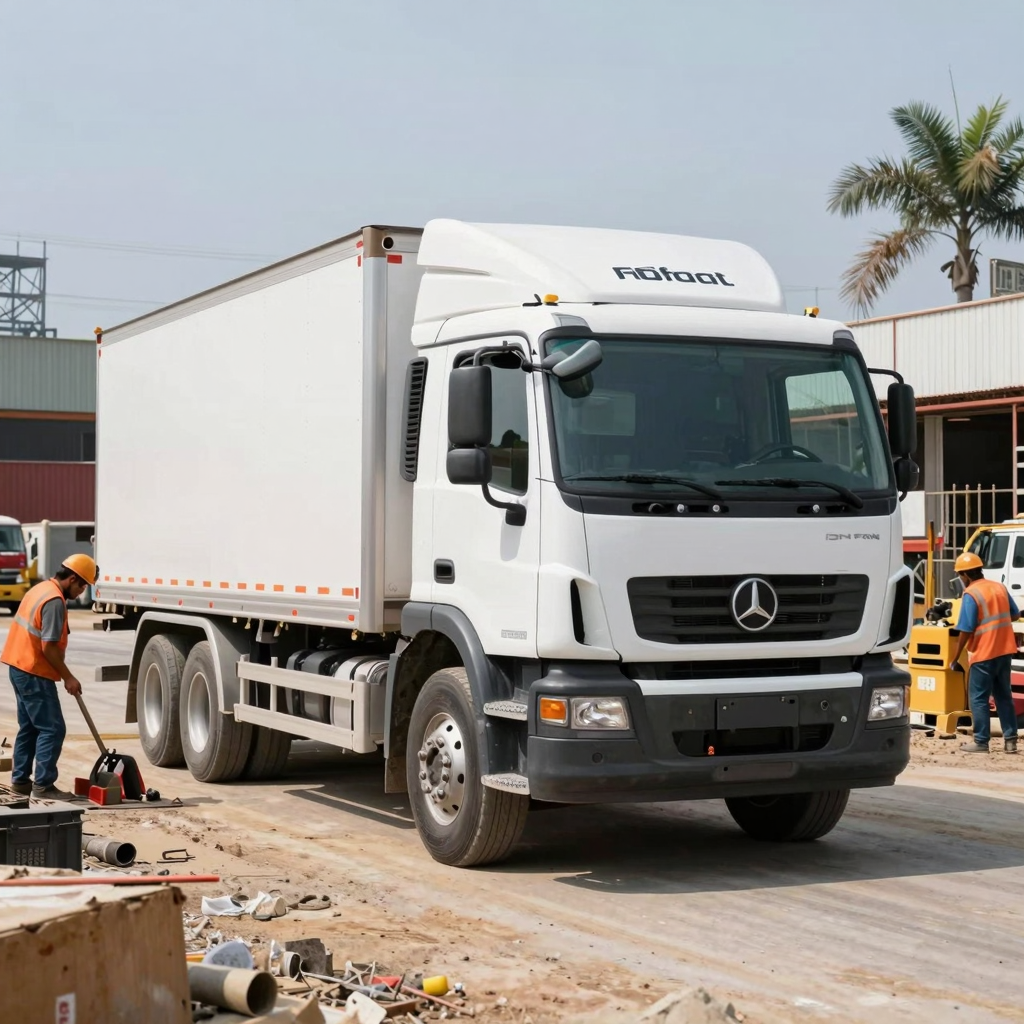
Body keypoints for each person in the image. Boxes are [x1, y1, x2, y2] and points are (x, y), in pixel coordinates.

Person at [1, 554, 97, 798]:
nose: (82, 591)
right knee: (52, 729)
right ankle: (44, 786)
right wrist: (69, 678)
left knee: (30, 728)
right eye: (82, 585)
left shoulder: (41, 588)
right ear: (72, 578)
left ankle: (21, 781)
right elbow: (49, 647)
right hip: (34, 671)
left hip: (18, 666)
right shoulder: (54, 600)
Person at [947, 551, 1021, 754]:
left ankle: (981, 741)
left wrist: (954, 658)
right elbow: (1014, 614)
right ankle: (1011, 741)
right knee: (1004, 695)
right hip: (1005, 650)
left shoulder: (972, 593)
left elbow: (966, 628)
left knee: (978, 698)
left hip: (984, 653)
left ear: (965, 575)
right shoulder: (999, 587)